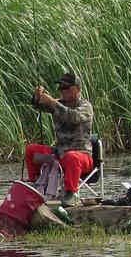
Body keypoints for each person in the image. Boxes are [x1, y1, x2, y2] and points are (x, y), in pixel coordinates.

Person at [26, 71, 94, 207]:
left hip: (82, 156)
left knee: (71, 157)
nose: (63, 91)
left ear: (77, 89)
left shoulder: (86, 106)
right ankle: (35, 185)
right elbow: (39, 106)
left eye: (66, 88)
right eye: (61, 88)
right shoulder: (58, 104)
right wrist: (38, 97)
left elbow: (73, 117)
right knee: (31, 150)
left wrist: (52, 102)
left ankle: (70, 193)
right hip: (58, 155)